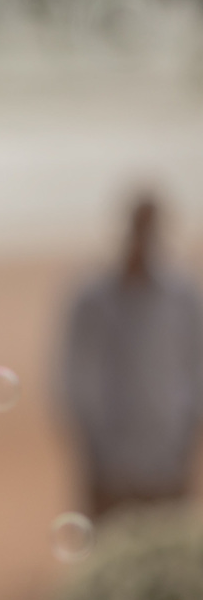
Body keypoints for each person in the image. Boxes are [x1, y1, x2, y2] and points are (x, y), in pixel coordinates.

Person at [61, 190, 203, 519]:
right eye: (139, 226)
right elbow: (75, 373)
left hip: (167, 448)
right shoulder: (92, 297)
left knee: (166, 539)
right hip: (109, 452)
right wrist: (87, 438)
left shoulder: (182, 295)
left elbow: (196, 365)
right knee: (109, 538)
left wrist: (190, 428)